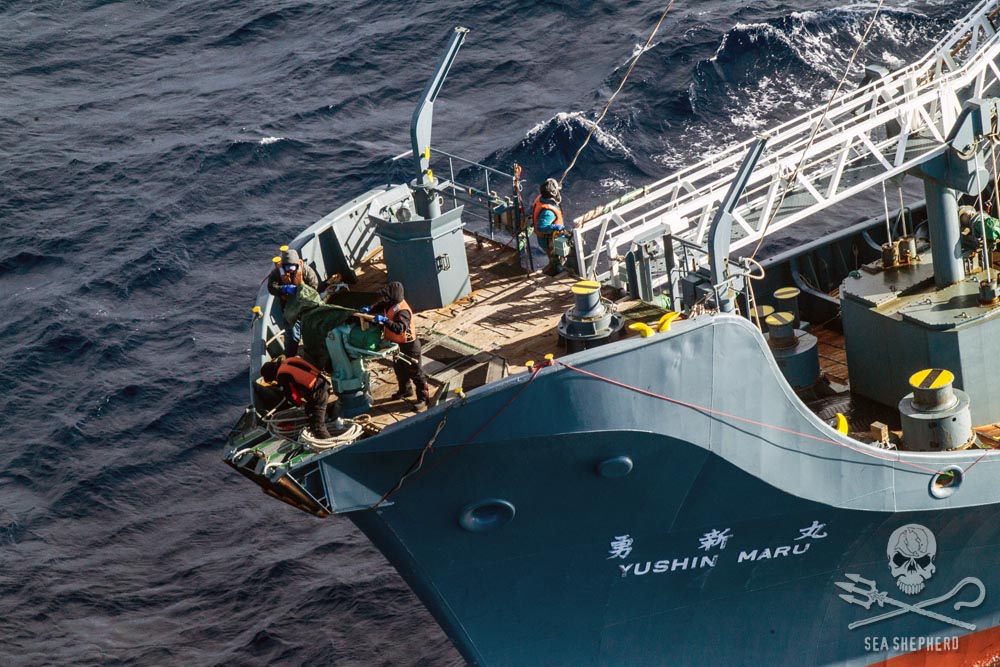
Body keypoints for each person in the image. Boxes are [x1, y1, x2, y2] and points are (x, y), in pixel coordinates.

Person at [361, 281, 430, 410]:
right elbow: (381, 305)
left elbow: (399, 328)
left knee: (416, 373)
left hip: (410, 346)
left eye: (387, 296)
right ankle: (405, 390)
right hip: (397, 344)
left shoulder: (403, 311)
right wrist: (370, 308)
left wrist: (385, 321)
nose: (385, 299)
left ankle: (423, 398)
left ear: (394, 296)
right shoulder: (391, 304)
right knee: (399, 369)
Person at [260, 355, 334, 440]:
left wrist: (299, 404)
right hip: (323, 384)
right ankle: (329, 418)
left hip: (318, 395)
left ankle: (330, 445)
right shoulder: (288, 362)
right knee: (310, 411)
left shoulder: (283, 376)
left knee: (316, 426)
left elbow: (293, 396)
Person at [267, 247, 320, 356]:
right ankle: (290, 356)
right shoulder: (277, 273)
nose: (290, 270)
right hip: (289, 309)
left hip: (306, 307)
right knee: (292, 335)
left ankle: (312, 354)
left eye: (293, 266)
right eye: (288, 267)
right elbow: (271, 287)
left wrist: (303, 291)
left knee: (311, 332)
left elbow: (314, 286)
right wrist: (283, 289)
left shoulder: (306, 271)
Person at [532, 177, 566, 276]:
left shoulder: (541, 198)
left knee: (554, 258)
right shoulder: (548, 212)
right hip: (548, 241)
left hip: (544, 239)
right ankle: (556, 271)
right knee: (555, 258)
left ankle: (554, 267)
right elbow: (541, 227)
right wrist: (556, 227)